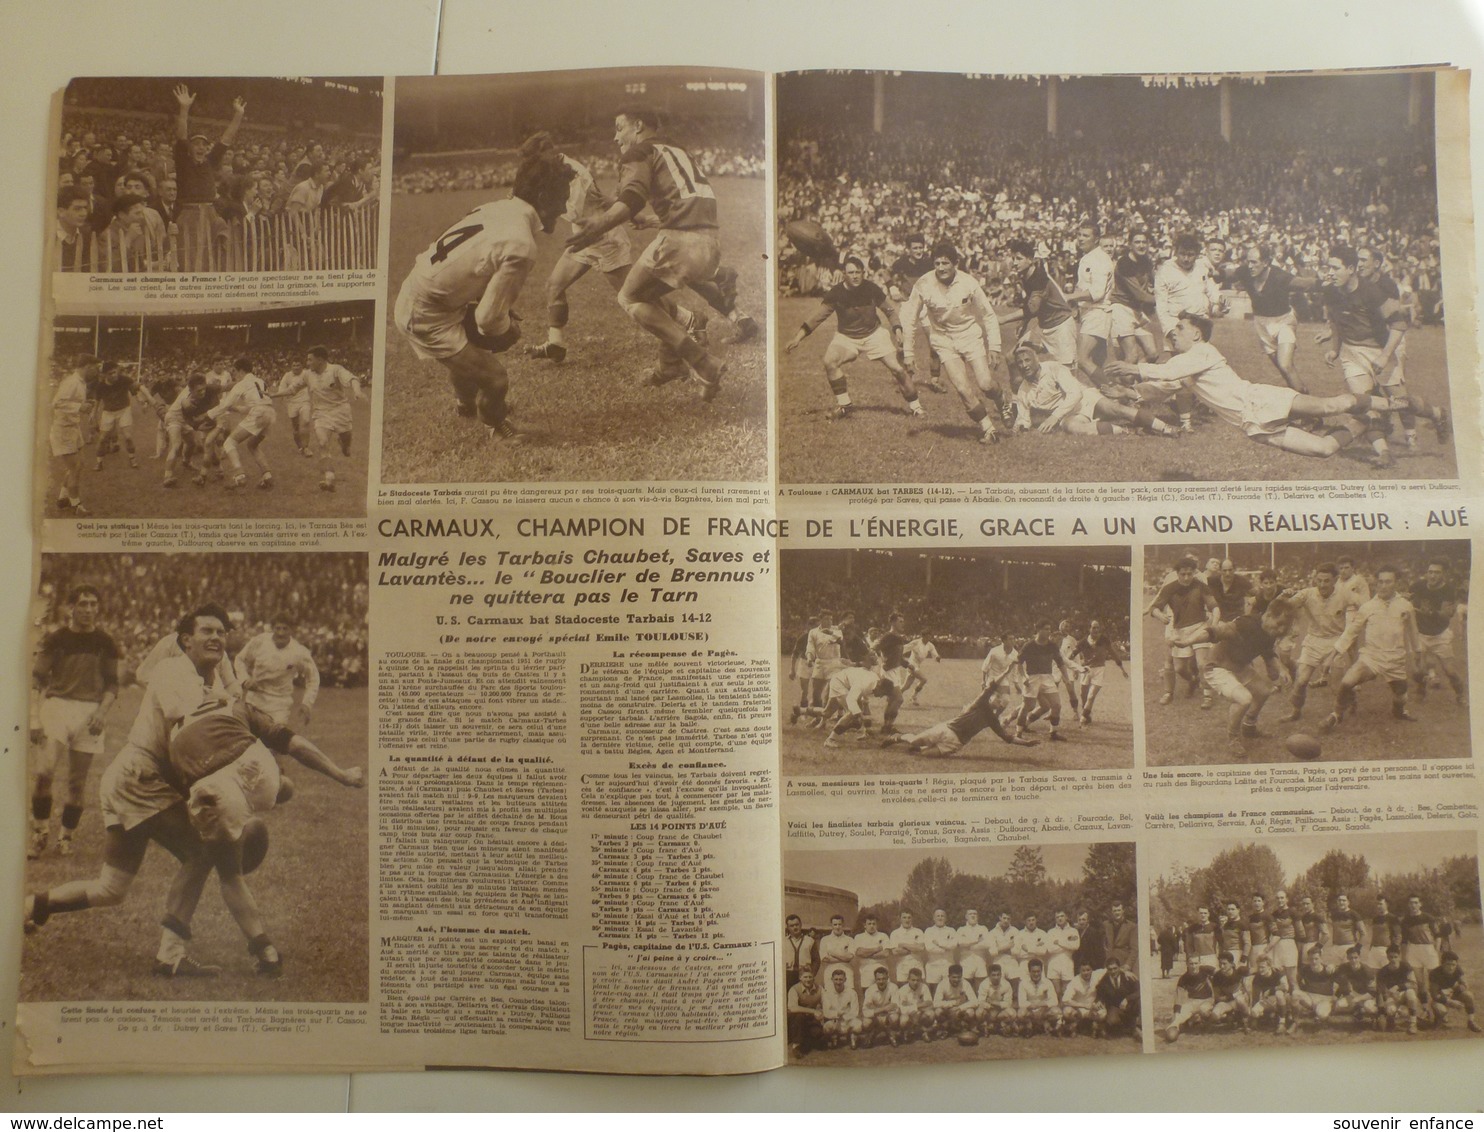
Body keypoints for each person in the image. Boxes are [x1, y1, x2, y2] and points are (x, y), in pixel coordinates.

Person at [24, 606, 237, 975]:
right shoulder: (174, 670)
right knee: (201, 852)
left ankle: (31, 906)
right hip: (141, 778)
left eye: (222, 631)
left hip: (131, 779)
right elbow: (186, 736)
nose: (216, 637)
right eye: (207, 631)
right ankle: (170, 958)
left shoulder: (213, 681)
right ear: (186, 640)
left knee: (111, 890)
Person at [394, 149, 576, 442]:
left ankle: (464, 404)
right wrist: (507, 330)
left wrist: (493, 302)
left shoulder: (496, 207)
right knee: (495, 378)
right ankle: (495, 424)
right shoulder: (521, 244)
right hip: (427, 312)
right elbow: (488, 320)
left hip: (422, 291)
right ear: (543, 198)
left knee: (467, 352)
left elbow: (474, 263)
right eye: (562, 197)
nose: (565, 206)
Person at [565, 106, 736, 400]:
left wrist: (596, 227)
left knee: (629, 297)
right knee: (650, 295)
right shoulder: (679, 150)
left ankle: (702, 362)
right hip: (710, 244)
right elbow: (693, 202)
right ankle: (670, 366)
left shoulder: (638, 152)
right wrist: (654, 220)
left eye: (619, 128)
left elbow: (630, 199)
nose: (616, 136)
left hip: (680, 242)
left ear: (639, 126)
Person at [518, 133, 728, 363]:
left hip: (605, 239)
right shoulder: (554, 169)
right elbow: (598, 200)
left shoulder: (570, 170)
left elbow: (575, 210)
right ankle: (555, 343)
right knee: (553, 285)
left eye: (534, 159)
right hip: (584, 238)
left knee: (638, 295)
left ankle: (691, 320)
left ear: (548, 152)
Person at [1106, 312, 1389, 456]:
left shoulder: (1203, 352)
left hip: (1259, 400)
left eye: (1180, 328)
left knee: (1331, 406)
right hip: (1251, 424)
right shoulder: (1185, 366)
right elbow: (1161, 387)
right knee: (1324, 450)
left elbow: (1166, 373)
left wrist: (1133, 367)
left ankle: (1385, 403)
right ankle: (1363, 423)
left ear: (1197, 334)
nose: (1173, 333)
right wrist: (1129, 392)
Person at [1318, 244, 1449, 465]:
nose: (1329, 272)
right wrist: (1334, 348)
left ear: (1351, 268)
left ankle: (1437, 413)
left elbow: (1399, 325)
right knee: (1363, 403)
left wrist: (1384, 356)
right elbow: (1337, 321)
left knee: (1400, 402)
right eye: (1328, 267)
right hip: (1352, 353)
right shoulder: (1330, 290)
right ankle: (1384, 453)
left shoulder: (1372, 292)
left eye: (1335, 268)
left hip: (1381, 349)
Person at [28, 586, 119, 859]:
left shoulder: (106, 642)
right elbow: (37, 680)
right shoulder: (56, 639)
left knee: (77, 784)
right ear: (70, 608)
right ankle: (40, 832)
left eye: (93, 604)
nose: (89, 610)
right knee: (44, 771)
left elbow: (112, 684)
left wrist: (102, 713)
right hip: (57, 707)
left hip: (90, 712)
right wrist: (33, 717)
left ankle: (65, 837)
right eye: (83, 604)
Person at [785, 255, 923, 420]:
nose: (855, 276)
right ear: (844, 273)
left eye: (858, 272)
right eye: (851, 272)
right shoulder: (836, 293)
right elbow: (817, 317)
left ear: (863, 273)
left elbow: (889, 310)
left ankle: (916, 407)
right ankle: (844, 405)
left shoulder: (871, 288)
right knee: (830, 361)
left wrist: (898, 330)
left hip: (874, 334)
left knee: (898, 369)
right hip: (847, 337)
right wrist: (798, 337)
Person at [899, 243, 1006, 443]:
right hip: (943, 340)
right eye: (937, 263)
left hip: (969, 336)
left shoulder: (969, 282)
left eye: (945, 263)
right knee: (963, 389)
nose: (941, 268)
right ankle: (988, 429)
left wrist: (994, 347)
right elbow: (910, 319)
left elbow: (988, 315)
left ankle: (1002, 400)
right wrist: (908, 353)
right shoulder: (923, 284)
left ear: (955, 263)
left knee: (985, 383)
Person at [1320, 565, 1420, 733]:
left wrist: (1418, 656)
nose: (1383, 585)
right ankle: (1336, 715)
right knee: (1346, 682)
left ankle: (1399, 711)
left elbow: (1413, 632)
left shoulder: (1406, 605)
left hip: (1395, 659)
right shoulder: (1368, 607)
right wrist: (1332, 655)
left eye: (1388, 582)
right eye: (1380, 582)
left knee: (1401, 693)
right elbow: (1350, 632)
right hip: (1371, 657)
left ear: (1396, 583)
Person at [1007, 343, 1175, 438]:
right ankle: (1126, 432)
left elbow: (1075, 394)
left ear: (1036, 359)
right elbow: (1023, 420)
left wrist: (1053, 417)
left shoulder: (1053, 368)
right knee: (1073, 428)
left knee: (1116, 409)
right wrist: (1019, 429)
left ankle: (1166, 428)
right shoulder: (1024, 390)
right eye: (1020, 363)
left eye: (1027, 360)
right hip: (1068, 415)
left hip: (1085, 399)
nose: (1024, 365)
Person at [1201, 597, 1296, 759]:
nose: (1281, 630)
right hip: (1217, 667)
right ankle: (1233, 738)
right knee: (1244, 699)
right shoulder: (1246, 623)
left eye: (1284, 627)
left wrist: (1282, 669)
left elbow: (1267, 653)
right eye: (1279, 624)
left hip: (1239, 667)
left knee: (1264, 691)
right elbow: (1216, 631)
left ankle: (1249, 727)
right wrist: (1187, 641)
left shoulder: (1268, 631)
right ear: (1268, 615)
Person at [1220, 242, 1318, 391]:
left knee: (1285, 365)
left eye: (1254, 262)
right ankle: (1304, 400)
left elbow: (1305, 284)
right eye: (1248, 261)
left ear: (1265, 262)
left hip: (1284, 321)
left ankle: (1311, 410)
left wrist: (1329, 284)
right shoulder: (1245, 271)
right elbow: (1229, 274)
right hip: (1261, 325)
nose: (1250, 266)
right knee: (1283, 370)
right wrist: (1210, 271)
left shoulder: (1279, 276)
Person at [172, 85, 246, 271]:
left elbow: (226, 139)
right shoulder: (183, 161)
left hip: (210, 213)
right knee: (188, 258)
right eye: (195, 144)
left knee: (212, 258)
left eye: (203, 145)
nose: (200, 147)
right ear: (190, 148)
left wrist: (238, 115)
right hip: (188, 213)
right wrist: (184, 108)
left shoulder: (210, 162)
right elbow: (181, 134)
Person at [882, 679, 1039, 757]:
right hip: (946, 729)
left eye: (1001, 703)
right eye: (997, 699)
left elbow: (1008, 738)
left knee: (923, 755)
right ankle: (896, 739)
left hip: (955, 743)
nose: (999, 703)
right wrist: (1006, 672)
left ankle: (918, 746)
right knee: (914, 741)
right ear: (992, 699)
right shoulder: (981, 703)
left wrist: (1026, 743)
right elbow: (990, 687)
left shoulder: (992, 720)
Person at [294, 346, 364, 492]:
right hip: (321, 413)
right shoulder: (308, 375)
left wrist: (357, 392)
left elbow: (352, 379)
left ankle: (345, 444)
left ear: (320, 360)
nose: (307, 363)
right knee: (322, 442)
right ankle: (329, 478)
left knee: (346, 442)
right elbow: (293, 388)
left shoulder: (335, 370)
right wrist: (272, 395)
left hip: (341, 411)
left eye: (310, 359)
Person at [1004, 237, 1077, 368]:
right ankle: (1024, 389)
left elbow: (1032, 309)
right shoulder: (1026, 275)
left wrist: (1002, 319)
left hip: (1061, 326)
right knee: (1012, 357)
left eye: (1019, 259)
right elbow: (1029, 303)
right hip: (1043, 327)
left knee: (1067, 374)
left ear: (1030, 260)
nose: (1014, 262)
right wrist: (1023, 323)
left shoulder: (1040, 278)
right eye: (1013, 258)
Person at [234, 616, 319, 729]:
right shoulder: (260, 642)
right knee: (250, 740)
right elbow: (240, 659)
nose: (280, 633)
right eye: (277, 628)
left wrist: (307, 703)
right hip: (255, 699)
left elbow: (313, 678)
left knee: (274, 740)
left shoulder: (299, 652)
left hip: (280, 704)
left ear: (291, 630)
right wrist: (245, 679)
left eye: (285, 629)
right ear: (272, 628)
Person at [206, 356, 276, 490]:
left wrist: (209, 415)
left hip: (259, 413)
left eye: (235, 372)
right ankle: (267, 476)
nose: (235, 375)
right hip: (270, 413)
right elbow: (251, 406)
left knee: (229, 443)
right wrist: (235, 408)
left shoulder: (242, 383)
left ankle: (239, 476)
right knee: (252, 445)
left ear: (241, 370)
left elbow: (226, 404)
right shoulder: (260, 381)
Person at [889, 234, 946, 390]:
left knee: (935, 342)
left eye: (921, 247)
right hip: (908, 304)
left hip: (926, 306)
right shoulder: (900, 263)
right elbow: (886, 274)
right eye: (915, 248)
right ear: (908, 249)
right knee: (903, 343)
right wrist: (892, 288)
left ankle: (935, 380)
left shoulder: (929, 263)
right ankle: (905, 380)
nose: (919, 250)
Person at [1409, 558, 1467, 704]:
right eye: (1430, 572)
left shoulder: (1448, 589)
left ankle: (1461, 695)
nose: (1432, 576)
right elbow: (1407, 598)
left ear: (1444, 574)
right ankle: (1421, 691)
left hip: (1440, 635)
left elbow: (1447, 614)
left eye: (1436, 572)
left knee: (1450, 671)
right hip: (1421, 634)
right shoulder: (1418, 585)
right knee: (1418, 671)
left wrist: (1431, 612)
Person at [1066, 222, 1116, 384]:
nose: (1080, 239)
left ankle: (1118, 393)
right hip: (1089, 313)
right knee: (1097, 362)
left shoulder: (1100, 259)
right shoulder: (1089, 258)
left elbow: (1097, 292)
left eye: (1085, 236)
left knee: (1082, 359)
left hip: (1098, 313)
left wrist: (1069, 297)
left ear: (1096, 239)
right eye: (1079, 235)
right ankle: (1108, 399)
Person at [49, 355, 99, 514]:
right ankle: (76, 505)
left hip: (73, 428)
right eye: (95, 367)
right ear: (87, 366)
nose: (97, 371)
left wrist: (84, 406)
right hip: (63, 429)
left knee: (79, 465)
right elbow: (56, 403)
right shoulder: (71, 382)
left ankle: (63, 498)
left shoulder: (81, 383)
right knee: (75, 467)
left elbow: (74, 404)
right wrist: (79, 407)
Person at [1015, 620, 1076, 741]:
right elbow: (1019, 663)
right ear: (1038, 630)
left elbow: (1060, 663)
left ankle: (1053, 733)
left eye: (1049, 629)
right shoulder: (1029, 645)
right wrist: (1024, 677)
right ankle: (1018, 733)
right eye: (1046, 629)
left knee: (1057, 705)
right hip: (1032, 678)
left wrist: (1067, 678)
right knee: (1028, 706)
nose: (1049, 632)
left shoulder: (1052, 646)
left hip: (1048, 677)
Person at [1110, 228, 1159, 362]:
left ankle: (1129, 376)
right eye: (1137, 242)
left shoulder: (1146, 261)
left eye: (1144, 242)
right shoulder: (1124, 264)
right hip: (1121, 309)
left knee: (1153, 354)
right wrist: (1165, 300)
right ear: (1130, 244)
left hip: (1137, 311)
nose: (1141, 245)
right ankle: (1120, 379)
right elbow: (1139, 295)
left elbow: (1158, 283)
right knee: (1131, 356)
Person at [1071, 621, 1130, 724]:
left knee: (1091, 695)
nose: (1096, 630)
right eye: (1094, 628)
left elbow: (1114, 654)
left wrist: (1122, 669)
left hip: (1099, 669)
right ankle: (1087, 714)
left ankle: (1083, 718)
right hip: (1086, 670)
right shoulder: (1083, 642)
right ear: (1089, 629)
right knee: (1083, 695)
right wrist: (1071, 668)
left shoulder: (1104, 640)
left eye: (1098, 628)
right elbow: (1072, 654)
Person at [1427, 951, 1482, 1032]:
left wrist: (1456, 989)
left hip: (1453, 993)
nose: (1451, 967)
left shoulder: (1457, 969)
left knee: (1469, 995)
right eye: (1448, 964)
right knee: (1441, 1010)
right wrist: (1450, 1002)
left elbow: (1465, 984)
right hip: (1440, 997)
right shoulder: (1435, 973)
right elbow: (1434, 995)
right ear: (1442, 964)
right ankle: (1439, 1020)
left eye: (1453, 965)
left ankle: (1471, 1021)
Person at [1374, 946, 1425, 1033]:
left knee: (1411, 994)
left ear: (1399, 956)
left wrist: (1398, 987)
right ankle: (1391, 1021)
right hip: (1392, 996)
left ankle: (1413, 1024)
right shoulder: (1383, 971)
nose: (1393, 959)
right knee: (1390, 1010)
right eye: (1391, 957)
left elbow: (1413, 984)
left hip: (1404, 993)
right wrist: (1381, 1012)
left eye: (1395, 957)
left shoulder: (1406, 966)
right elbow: (1380, 991)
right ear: (1387, 957)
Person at [1094, 955, 1140, 1039]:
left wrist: (1127, 999)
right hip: (1115, 1007)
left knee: (1139, 1003)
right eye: (1110, 969)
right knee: (1112, 1021)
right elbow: (1099, 993)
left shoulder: (1128, 977)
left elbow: (1139, 991)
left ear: (1119, 967)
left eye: (1115, 968)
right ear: (1107, 970)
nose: (1113, 971)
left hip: (1129, 1005)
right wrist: (1099, 1001)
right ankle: (1124, 1027)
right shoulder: (1104, 980)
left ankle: (1134, 1027)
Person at [932, 963, 981, 1035]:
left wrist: (959, 1008)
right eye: (954, 977)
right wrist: (953, 1003)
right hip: (948, 1009)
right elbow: (936, 1003)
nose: (957, 980)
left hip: (961, 1010)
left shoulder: (965, 983)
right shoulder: (942, 984)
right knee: (938, 1011)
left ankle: (962, 1025)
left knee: (970, 1012)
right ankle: (945, 1026)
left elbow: (975, 1001)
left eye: (959, 977)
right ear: (949, 976)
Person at [786, 967, 825, 1056]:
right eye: (805, 977)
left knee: (821, 1041)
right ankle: (796, 1045)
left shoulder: (820, 988)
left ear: (813, 978)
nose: (808, 980)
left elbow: (826, 1004)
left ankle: (807, 1039)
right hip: (797, 1019)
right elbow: (792, 1008)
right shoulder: (794, 989)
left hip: (812, 1019)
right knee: (799, 1016)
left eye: (810, 977)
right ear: (800, 978)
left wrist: (821, 1013)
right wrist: (813, 1011)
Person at [821, 968, 862, 1049]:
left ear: (845, 980)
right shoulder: (826, 993)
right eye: (836, 979)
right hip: (834, 1021)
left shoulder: (851, 992)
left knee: (858, 1025)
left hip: (847, 1020)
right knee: (827, 1027)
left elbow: (855, 1011)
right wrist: (836, 1014)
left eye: (841, 979)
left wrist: (845, 1017)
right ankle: (834, 1038)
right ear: (832, 979)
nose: (838, 982)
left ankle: (852, 1037)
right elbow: (826, 1012)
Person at [860, 966, 901, 1047]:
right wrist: (885, 1008)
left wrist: (875, 1009)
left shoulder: (893, 987)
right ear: (875, 979)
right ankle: (873, 1033)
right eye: (878, 979)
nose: (881, 981)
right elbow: (865, 1011)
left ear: (887, 978)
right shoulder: (870, 990)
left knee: (895, 1017)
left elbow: (895, 1006)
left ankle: (890, 1033)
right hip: (877, 1017)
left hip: (887, 1015)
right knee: (866, 1022)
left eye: (884, 979)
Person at [817, 914, 856, 988]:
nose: (837, 927)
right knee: (830, 994)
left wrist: (833, 953)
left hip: (846, 970)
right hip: (830, 970)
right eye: (835, 924)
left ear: (843, 925)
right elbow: (825, 959)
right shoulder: (825, 940)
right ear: (831, 925)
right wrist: (844, 958)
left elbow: (850, 957)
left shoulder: (850, 940)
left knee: (848, 993)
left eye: (840, 924)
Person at [783, 913, 816, 991]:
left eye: (796, 925)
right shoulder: (783, 941)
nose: (795, 927)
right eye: (791, 926)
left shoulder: (810, 941)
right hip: (788, 974)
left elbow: (816, 960)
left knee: (804, 998)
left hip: (804, 973)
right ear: (787, 927)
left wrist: (812, 973)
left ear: (801, 925)